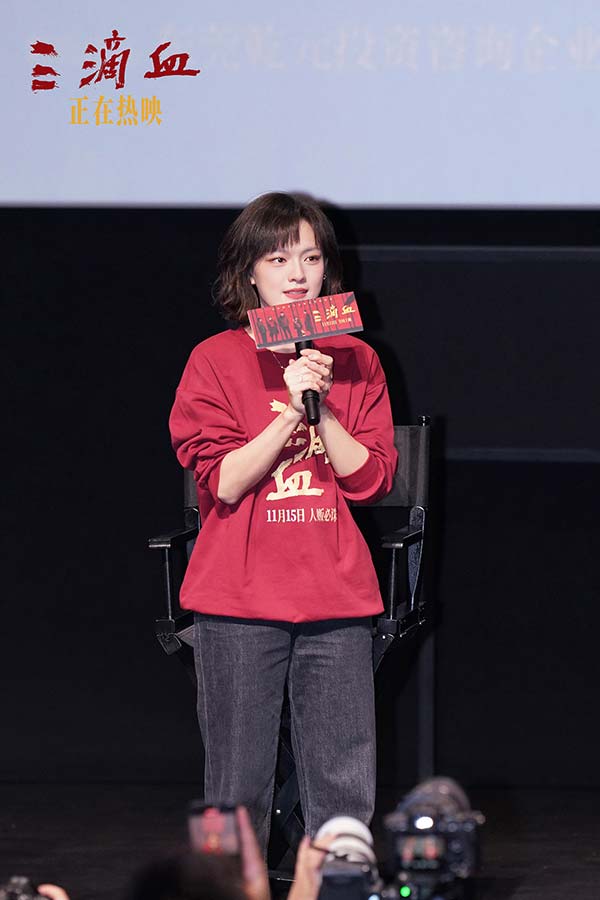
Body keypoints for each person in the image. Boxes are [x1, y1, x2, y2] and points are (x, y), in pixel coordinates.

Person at [169, 192, 397, 854]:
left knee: (343, 782)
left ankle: (339, 882)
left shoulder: (356, 359)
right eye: (278, 259)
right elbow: (225, 480)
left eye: (312, 258)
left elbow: (371, 481)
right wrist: (291, 411)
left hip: (335, 593)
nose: (298, 274)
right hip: (238, 598)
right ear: (248, 273)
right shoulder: (214, 359)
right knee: (234, 784)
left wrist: (323, 407)